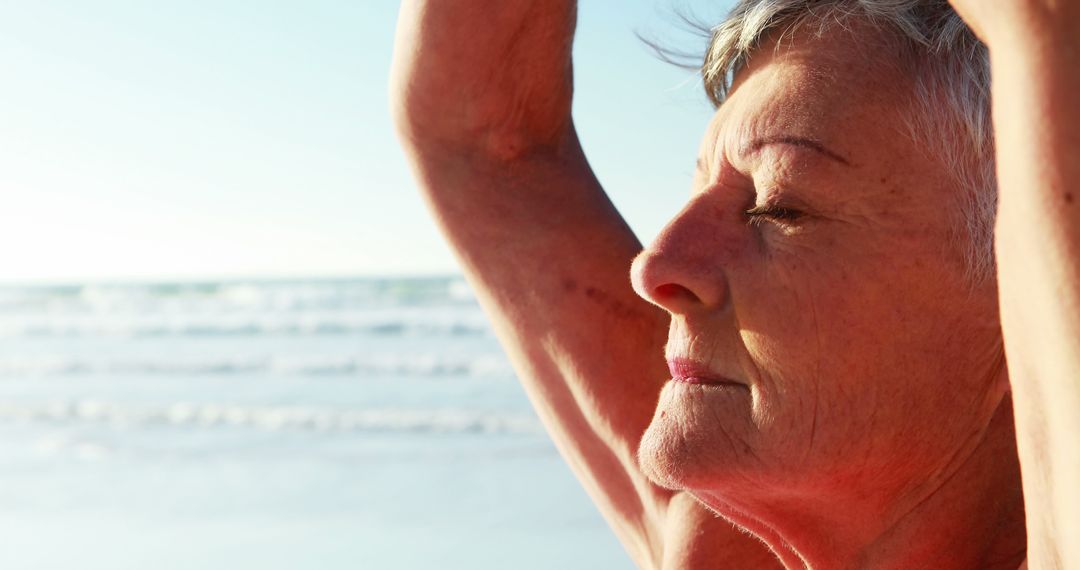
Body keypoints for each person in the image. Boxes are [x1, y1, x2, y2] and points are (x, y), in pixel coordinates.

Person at [390, 0, 1079, 567]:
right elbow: (485, 137)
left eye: (778, 207)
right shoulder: (724, 549)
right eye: (695, 188)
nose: (655, 267)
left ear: (1024, 287)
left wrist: (1040, 44)